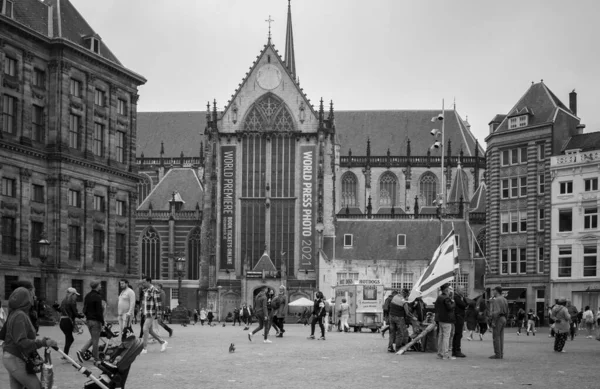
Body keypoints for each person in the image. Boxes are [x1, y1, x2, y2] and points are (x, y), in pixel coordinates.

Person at [0, 286, 59, 389]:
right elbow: (21, 342)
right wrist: (42, 342)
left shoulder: (16, 313)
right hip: (15, 357)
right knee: (36, 387)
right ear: (25, 300)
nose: (34, 298)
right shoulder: (19, 315)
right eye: (31, 296)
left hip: (12, 357)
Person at [76, 280, 104, 363]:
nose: (101, 286)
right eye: (100, 285)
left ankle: (83, 351)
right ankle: (95, 357)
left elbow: (85, 309)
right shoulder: (98, 297)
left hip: (89, 320)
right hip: (95, 321)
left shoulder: (87, 296)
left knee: (93, 338)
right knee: (96, 341)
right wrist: (102, 321)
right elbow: (99, 311)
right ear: (96, 286)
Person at [139, 277, 168, 354]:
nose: (143, 284)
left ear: (149, 282)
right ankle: (163, 342)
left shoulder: (154, 290)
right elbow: (144, 302)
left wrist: (159, 314)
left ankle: (144, 348)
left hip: (152, 313)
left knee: (145, 328)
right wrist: (142, 310)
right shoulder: (145, 290)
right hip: (146, 313)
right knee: (150, 331)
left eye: (144, 282)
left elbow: (158, 304)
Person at [58, 287, 83, 359]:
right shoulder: (72, 301)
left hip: (62, 321)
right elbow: (75, 313)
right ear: (72, 294)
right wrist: (80, 315)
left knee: (68, 338)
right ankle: (65, 355)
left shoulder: (64, 301)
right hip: (68, 322)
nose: (76, 296)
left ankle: (65, 355)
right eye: (75, 294)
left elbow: (60, 310)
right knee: (70, 338)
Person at [434, 283, 456, 360]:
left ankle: (439, 353)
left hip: (440, 319)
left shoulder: (439, 297)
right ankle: (445, 354)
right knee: (446, 337)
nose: (450, 290)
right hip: (447, 319)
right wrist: (453, 302)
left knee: (441, 336)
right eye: (449, 289)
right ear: (446, 290)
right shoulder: (446, 298)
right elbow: (449, 307)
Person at [489, 286, 508, 359]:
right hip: (503, 318)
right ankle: (501, 353)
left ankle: (497, 354)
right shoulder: (505, 299)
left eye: (494, 290)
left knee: (496, 337)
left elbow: (497, 311)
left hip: (498, 319)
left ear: (496, 291)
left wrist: (493, 320)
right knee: (501, 337)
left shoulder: (497, 300)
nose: (493, 292)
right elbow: (507, 311)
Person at [452, 286, 468, 358]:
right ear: (458, 290)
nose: (463, 291)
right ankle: (456, 350)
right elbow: (463, 305)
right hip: (458, 317)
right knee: (458, 334)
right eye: (462, 290)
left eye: (464, 290)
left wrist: (463, 299)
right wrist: (464, 302)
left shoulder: (461, 297)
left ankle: (456, 350)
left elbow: (466, 303)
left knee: (459, 334)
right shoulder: (456, 297)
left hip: (460, 317)